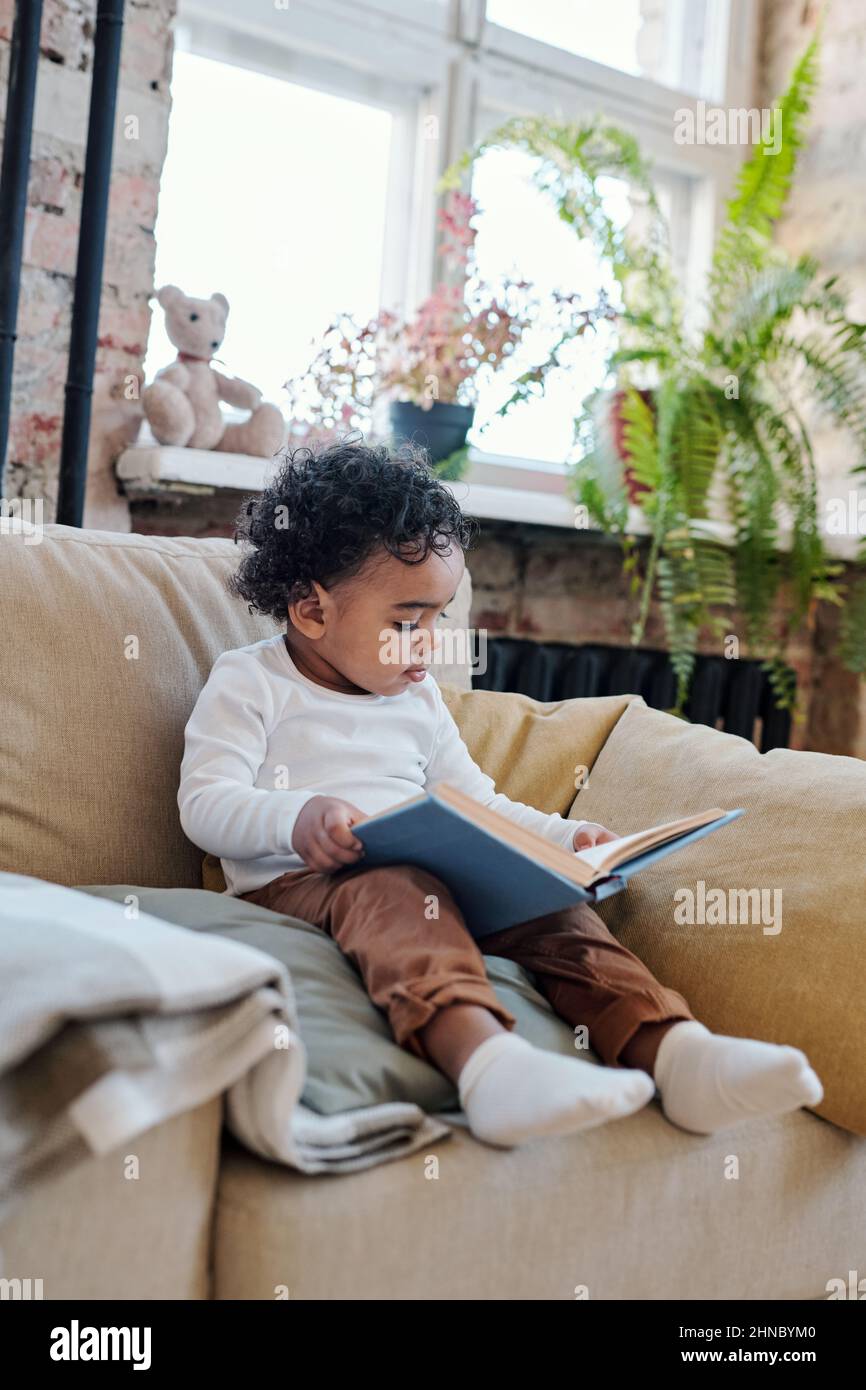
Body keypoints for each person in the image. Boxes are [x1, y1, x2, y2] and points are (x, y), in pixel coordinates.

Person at [178, 439, 823, 1149]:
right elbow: (205, 803)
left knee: (554, 902)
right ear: (310, 609)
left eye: (436, 620)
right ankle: (490, 1069)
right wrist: (295, 817)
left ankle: (675, 1052)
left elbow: (478, 804)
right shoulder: (252, 682)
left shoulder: (417, 702)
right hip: (302, 885)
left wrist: (563, 841)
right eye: (403, 623)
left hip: (428, 875)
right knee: (392, 885)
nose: (426, 647)